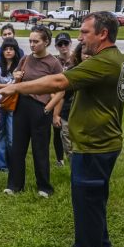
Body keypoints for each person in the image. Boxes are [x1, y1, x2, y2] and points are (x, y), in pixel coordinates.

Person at [0, 11, 124, 247]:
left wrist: (15, 87)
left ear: (103, 34)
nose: (80, 37)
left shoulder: (104, 62)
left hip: (95, 144)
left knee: (87, 201)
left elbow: (59, 81)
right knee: (94, 201)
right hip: (101, 142)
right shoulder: (114, 60)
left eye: (85, 32)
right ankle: (98, 246)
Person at [4, 25, 63, 197]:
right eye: (30, 41)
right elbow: (17, 81)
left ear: (46, 42)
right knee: (18, 148)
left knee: (40, 149)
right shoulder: (25, 59)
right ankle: (15, 185)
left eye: (36, 41)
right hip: (21, 106)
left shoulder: (53, 63)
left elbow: (62, 89)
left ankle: (44, 187)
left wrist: (49, 108)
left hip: (41, 109)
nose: (32, 45)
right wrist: (15, 78)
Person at [0, 36, 21, 172]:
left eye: (11, 49)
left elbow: (20, 86)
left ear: (15, 51)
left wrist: (1, 87)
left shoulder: (19, 68)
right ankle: (2, 166)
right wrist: (7, 86)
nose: (8, 51)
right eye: (5, 49)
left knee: (12, 137)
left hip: (14, 107)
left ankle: (13, 163)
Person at [49, 32, 74, 166]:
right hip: (57, 101)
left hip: (71, 101)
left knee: (71, 133)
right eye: (60, 44)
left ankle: (73, 158)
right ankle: (60, 159)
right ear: (56, 46)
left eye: (65, 43)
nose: (63, 46)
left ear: (70, 44)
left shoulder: (76, 60)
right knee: (57, 130)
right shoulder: (55, 62)